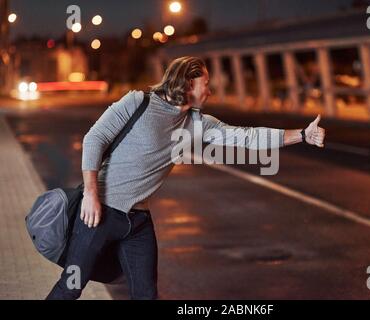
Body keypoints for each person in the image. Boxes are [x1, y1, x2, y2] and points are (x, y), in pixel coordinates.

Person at [46, 56, 325, 300]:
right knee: (71, 287)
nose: (211, 90)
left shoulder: (197, 123)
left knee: (146, 295)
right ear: (189, 83)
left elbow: (248, 137)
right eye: (207, 84)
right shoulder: (137, 102)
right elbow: (95, 138)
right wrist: (92, 194)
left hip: (139, 223)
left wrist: (302, 135)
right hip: (100, 212)